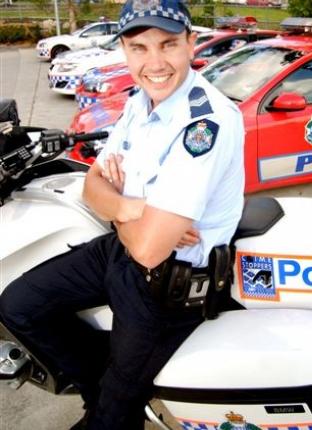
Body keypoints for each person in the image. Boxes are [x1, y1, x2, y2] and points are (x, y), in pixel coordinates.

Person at [0, 0, 245, 428]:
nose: (154, 62)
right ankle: (108, 387)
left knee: (113, 415)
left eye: (167, 45)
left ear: (191, 44)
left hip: (168, 285)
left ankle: (115, 401)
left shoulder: (206, 123)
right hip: (119, 252)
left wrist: (117, 206)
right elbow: (91, 183)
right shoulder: (141, 101)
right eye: (139, 48)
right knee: (18, 306)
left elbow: (151, 249)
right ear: (125, 51)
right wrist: (130, 209)